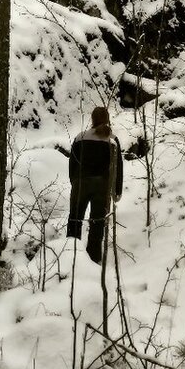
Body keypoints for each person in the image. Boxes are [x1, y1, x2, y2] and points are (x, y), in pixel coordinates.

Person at [66, 105, 123, 263]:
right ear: (107, 119)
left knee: (75, 219)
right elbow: (117, 168)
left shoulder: (80, 137)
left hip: (81, 184)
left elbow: (73, 164)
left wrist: (75, 182)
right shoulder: (112, 140)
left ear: (92, 119)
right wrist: (116, 192)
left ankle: (70, 255)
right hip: (102, 187)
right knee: (97, 223)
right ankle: (94, 258)